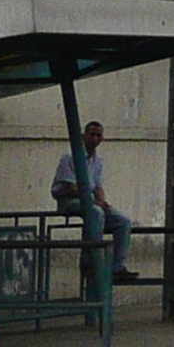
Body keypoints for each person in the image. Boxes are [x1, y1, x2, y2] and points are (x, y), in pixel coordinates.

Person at [49, 121, 138, 287]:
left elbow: (97, 186)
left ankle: (116, 267)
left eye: (98, 135)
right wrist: (95, 202)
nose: (95, 138)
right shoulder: (70, 156)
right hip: (68, 200)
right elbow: (70, 187)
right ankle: (91, 258)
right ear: (84, 136)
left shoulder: (97, 160)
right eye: (91, 134)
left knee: (122, 221)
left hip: (89, 200)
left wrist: (103, 202)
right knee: (96, 212)